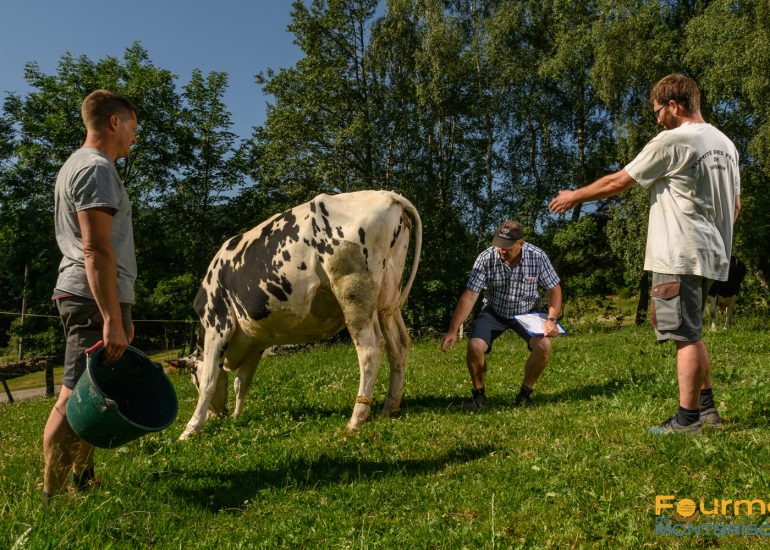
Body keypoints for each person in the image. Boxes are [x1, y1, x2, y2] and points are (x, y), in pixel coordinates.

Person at [549, 74, 740, 435]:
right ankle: (708, 410)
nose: (656, 120)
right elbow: (735, 205)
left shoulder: (674, 140)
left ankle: (687, 420)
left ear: (674, 105)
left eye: (658, 111)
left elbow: (620, 181)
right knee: (693, 330)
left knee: (685, 335)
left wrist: (575, 195)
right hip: (713, 253)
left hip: (679, 252)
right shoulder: (725, 144)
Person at [43, 90, 138, 500]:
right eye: (133, 127)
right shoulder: (95, 168)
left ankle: (83, 476)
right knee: (73, 394)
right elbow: (94, 248)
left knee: (94, 392)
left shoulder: (78, 166)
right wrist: (111, 318)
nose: (135, 137)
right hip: (91, 298)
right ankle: (51, 500)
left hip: (94, 294)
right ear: (114, 122)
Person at [441, 220, 563, 410]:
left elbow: (554, 289)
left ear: (521, 243)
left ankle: (525, 395)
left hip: (526, 312)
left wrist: (551, 320)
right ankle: (478, 397)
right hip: (494, 311)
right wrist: (453, 330)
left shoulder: (537, 256)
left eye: (507, 247)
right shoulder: (486, 258)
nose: (501, 250)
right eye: (499, 245)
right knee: (475, 346)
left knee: (544, 346)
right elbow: (470, 296)